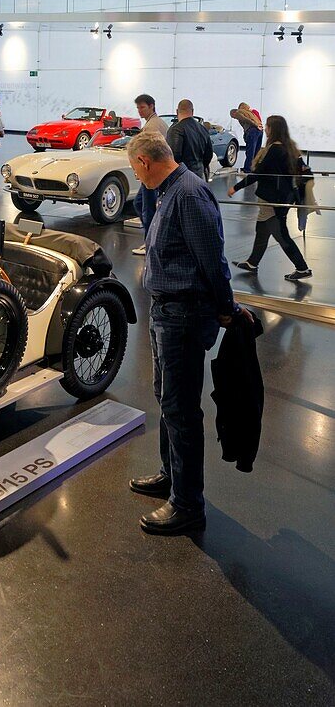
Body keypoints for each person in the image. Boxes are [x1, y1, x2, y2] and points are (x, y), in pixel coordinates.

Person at [126, 130, 253, 535]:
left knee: (181, 410)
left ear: (146, 162)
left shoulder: (189, 194)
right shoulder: (168, 190)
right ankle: (171, 475)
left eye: (135, 170)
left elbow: (212, 261)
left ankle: (187, 504)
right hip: (166, 314)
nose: (137, 177)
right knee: (168, 401)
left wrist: (227, 309)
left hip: (183, 317)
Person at [228, 114, 312, 281]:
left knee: (281, 235)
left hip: (273, 199)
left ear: (273, 129)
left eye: (267, 126)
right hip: (282, 197)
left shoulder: (274, 149)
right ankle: (252, 263)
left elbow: (258, 173)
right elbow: (304, 170)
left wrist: (236, 187)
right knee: (262, 230)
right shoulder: (290, 148)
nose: (264, 129)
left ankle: (302, 268)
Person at [131, 94, 169, 256]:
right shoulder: (158, 123)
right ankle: (152, 238)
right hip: (156, 172)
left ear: (151, 106)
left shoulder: (152, 126)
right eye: (138, 107)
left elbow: (147, 152)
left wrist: (141, 171)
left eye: (142, 107)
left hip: (152, 173)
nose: (139, 111)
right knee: (140, 204)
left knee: (147, 207)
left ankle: (151, 242)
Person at [166, 99, 214, 181]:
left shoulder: (176, 129)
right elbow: (209, 154)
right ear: (192, 111)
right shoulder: (202, 128)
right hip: (199, 175)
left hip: (182, 178)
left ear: (177, 111)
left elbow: (173, 156)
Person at [231, 103, 263, 173]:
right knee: (256, 152)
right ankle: (254, 168)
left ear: (234, 112)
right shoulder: (251, 112)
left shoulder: (238, 112)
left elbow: (244, 119)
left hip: (253, 131)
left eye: (232, 116)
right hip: (260, 131)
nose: (234, 118)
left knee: (250, 151)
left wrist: (254, 125)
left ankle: (247, 169)